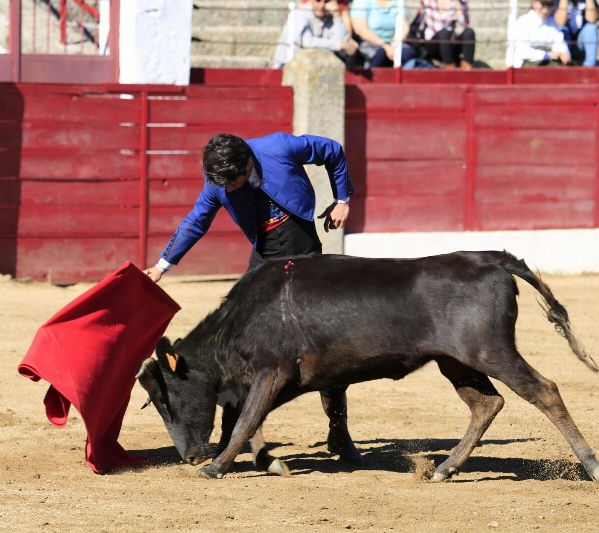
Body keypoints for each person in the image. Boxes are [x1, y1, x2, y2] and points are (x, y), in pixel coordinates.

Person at [143, 132, 363, 465]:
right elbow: (196, 220)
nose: (228, 190)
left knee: (324, 344)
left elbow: (332, 150)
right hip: (263, 261)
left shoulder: (280, 148)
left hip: (305, 255)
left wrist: (342, 198)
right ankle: (231, 437)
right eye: (223, 185)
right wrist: (161, 266)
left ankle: (339, 430)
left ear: (248, 163)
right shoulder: (219, 180)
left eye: (234, 183)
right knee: (239, 351)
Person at [271, 0, 362, 68]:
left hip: (315, 66)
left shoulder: (331, 16)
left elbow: (343, 42)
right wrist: (338, 45)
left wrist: (337, 17)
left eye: (326, 1)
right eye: (318, 0)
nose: (322, 5)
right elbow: (305, 41)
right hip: (286, 64)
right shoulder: (300, 12)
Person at [351, 0, 416, 67]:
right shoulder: (361, 2)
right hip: (370, 43)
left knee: (407, 53)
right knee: (381, 54)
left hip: (394, 43)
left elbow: (404, 27)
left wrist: (395, 45)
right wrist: (385, 45)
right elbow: (360, 30)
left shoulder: (398, 2)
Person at [417, 0, 476, 69]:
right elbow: (417, 20)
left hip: (449, 44)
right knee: (444, 33)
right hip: (433, 44)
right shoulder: (427, 1)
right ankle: (449, 67)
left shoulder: (460, 2)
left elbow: (465, 24)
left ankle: (467, 67)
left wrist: (458, 6)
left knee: (469, 32)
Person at [512, 0, 571, 67]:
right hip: (526, 68)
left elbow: (559, 42)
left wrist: (564, 53)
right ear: (534, 3)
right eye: (543, 4)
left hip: (548, 66)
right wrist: (548, 55)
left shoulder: (552, 22)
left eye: (549, 5)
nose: (546, 9)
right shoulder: (522, 22)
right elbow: (523, 51)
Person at [553, 0, 599, 66]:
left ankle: (589, 68)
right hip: (565, 43)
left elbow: (592, 19)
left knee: (591, 27)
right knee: (562, 29)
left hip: (582, 41)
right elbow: (560, 22)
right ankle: (565, 66)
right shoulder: (557, 1)